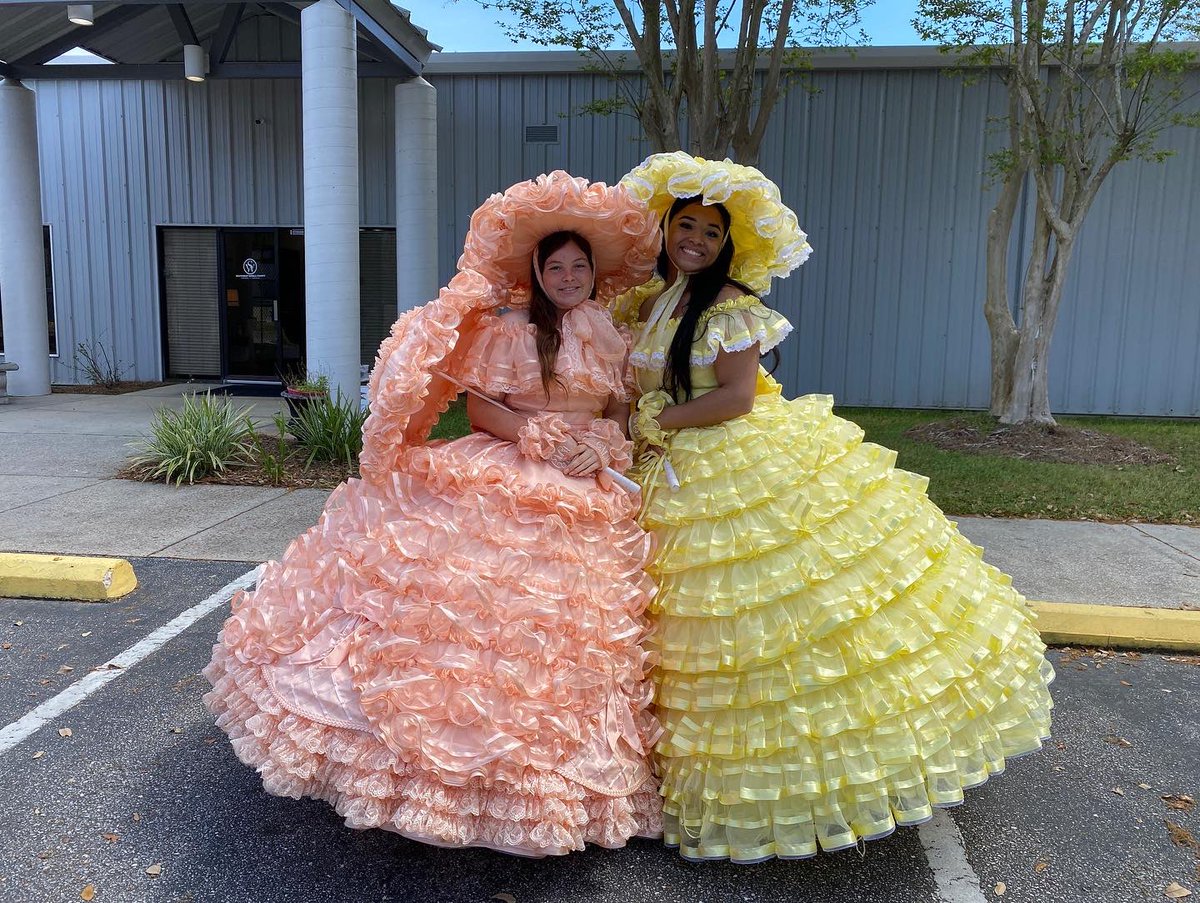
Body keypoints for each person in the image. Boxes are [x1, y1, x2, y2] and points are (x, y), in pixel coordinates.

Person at [203, 172, 665, 856]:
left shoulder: (612, 333)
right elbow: (480, 408)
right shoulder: (512, 328)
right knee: (458, 618)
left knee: (566, 639)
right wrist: (535, 436)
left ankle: (543, 786)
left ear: (594, 273)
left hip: (585, 485)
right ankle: (438, 776)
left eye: (578, 266)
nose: (568, 276)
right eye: (555, 266)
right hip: (510, 464)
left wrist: (605, 440)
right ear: (537, 273)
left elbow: (618, 411)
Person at [613, 151, 1055, 863]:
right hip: (658, 464)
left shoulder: (730, 307)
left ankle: (785, 781)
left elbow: (733, 398)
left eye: (710, 231)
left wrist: (660, 422)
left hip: (720, 460)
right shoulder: (647, 299)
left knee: (759, 613)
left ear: (729, 243)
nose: (695, 238)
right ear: (665, 227)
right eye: (685, 224)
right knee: (671, 627)